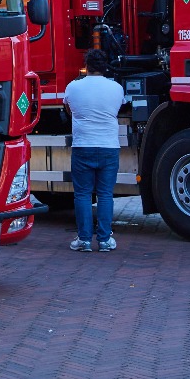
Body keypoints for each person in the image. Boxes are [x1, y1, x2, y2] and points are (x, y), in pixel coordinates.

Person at [63, 48, 125, 253]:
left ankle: (84, 240)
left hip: (83, 145)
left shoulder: (73, 87)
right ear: (105, 66)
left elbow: (69, 110)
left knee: (82, 194)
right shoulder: (116, 88)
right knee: (105, 195)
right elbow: (118, 110)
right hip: (109, 146)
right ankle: (105, 240)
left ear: (86, 66)